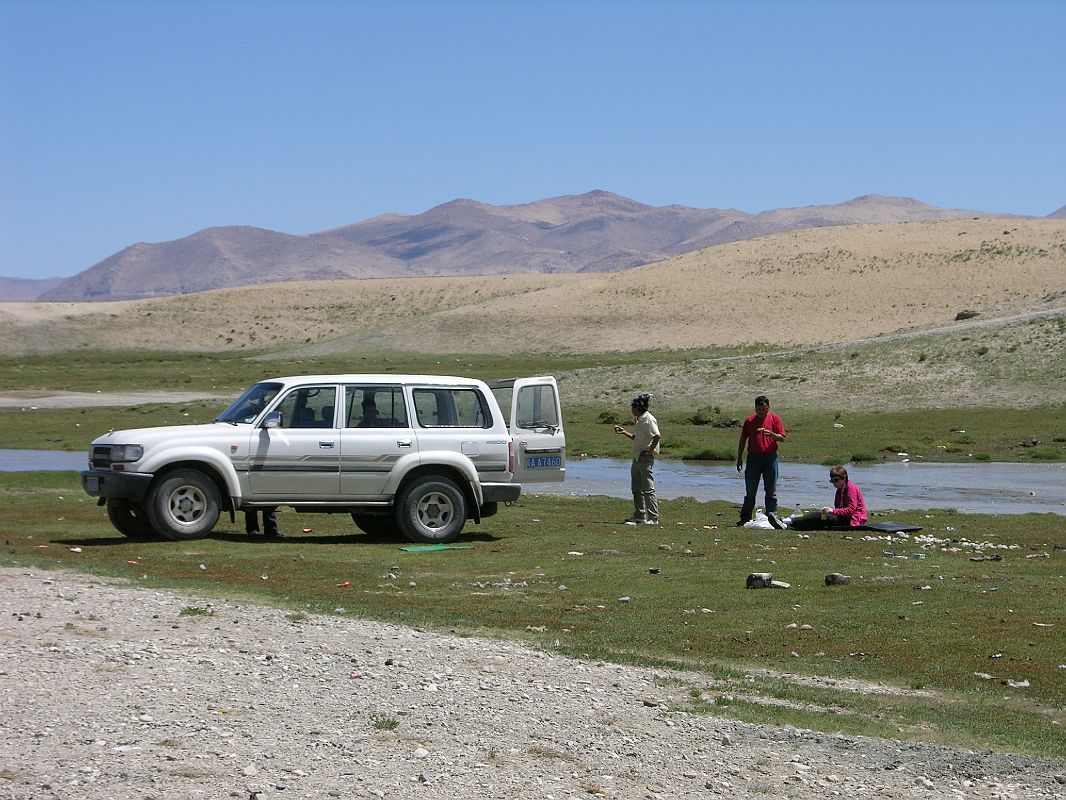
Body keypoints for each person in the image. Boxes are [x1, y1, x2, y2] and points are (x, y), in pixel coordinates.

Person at [736, 395, 786, 526]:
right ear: (755, 408)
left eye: (764, 409)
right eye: (759, 409)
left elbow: (782, 437)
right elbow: (742, 440)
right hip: (753, 458)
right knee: (751, 490)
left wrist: (771, 435)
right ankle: (745, 517)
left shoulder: (775, 419)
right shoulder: (749, 421)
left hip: (770, 457)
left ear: (768, 407)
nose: (761, 412)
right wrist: (739, 458)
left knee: (771, 489)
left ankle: (772, 516)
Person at [614, 392, 661, 525]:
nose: (631, 409)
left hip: (645, 458)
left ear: (638, 408)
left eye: (633, 407)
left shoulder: (648, 419)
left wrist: (650, 451)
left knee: (648, 488)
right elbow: (638, 438)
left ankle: (653, 518)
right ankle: (640, 515)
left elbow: (657, 436)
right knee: (636, 488)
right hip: (637, 457)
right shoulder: (640, 420)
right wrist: (624, 433)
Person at [783, 465, 868, 530]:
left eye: (836, 480)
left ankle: (791, 522)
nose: (834, 483)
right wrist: (829, 512)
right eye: (832, 481)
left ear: (844, 478)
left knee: (819, 517)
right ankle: (793, 522)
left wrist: (832, 511)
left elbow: (850, 510)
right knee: (821, 517)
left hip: (853, 519)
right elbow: (839, 509)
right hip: (844, 517)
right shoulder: (839, 490)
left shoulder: (851, 489)